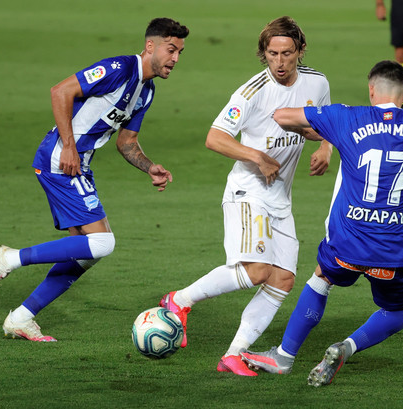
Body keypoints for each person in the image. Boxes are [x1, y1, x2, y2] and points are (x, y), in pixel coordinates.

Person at [241, 60, 403, 386]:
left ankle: (284, 356)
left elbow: (282, 117)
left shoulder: (346, 117)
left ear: (371, 89)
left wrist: (319, 131)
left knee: (322, 277)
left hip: (348, 244)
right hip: (394, 250)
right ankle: (347, 346)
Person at [0, 18, 189, 342]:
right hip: (60, 161)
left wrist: (149, 167)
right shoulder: (119, 68)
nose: (175, 59)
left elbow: (127, 142)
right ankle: (9, 257)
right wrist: (68, 146)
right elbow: (61, 91)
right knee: (103, 243)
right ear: (151, 46)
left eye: (180, 53)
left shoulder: (145, 92)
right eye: (171, 50)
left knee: (86, 254)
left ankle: (21, 318)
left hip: (77, 166)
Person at [158, 16, 333, 376]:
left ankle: (234, 354)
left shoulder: (317, 81)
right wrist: (256, 156)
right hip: (247, 192)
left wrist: (326, 149)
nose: (280, 62)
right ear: (263, 54)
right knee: (256, 271)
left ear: (300, 51)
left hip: (280, 198)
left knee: (282, 279)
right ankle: (179, 300)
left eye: (287, 53)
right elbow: (214, 137)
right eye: (272, 54)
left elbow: (326, 120)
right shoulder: (251, 92)